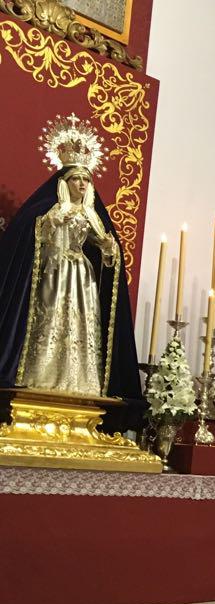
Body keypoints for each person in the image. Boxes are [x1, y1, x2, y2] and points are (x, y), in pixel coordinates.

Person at [0, 114, 143, 431]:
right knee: (51, 321)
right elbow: (31, 237)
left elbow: (107, 250)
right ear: (64, 182)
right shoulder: (52, 210)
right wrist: (50, 223)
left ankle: (77, 384)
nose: (82, 184)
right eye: (77, 179)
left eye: (87, 180)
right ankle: (42, 377)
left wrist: (109, 248)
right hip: (56, 273)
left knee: (79, 328)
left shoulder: (92, 216)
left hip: (81, 278)